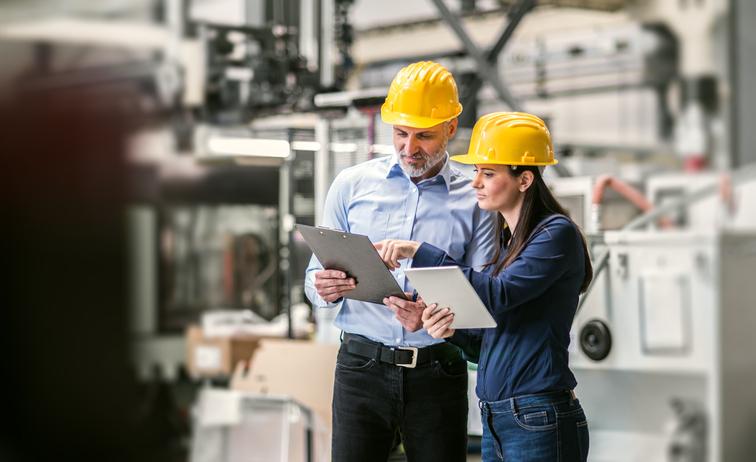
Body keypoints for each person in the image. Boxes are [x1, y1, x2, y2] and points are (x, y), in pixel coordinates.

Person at [304, 61, 497, 462]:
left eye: (424, 136)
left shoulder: (475, 200)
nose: (409, 149)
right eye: (400, 133)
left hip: (437, 372)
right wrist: (323, 288)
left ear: (451, 126)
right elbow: (313, 278)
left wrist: (434, 312)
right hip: (360, 368)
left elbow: (482, 296)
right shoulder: (351, 185)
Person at [375, 112, 594, 462]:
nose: (475, 182)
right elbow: (488, 342)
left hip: (537, 416)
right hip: (501, 419)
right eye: (476, 170)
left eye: (488, 173)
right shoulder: (511, 246)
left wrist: (419, 250)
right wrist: (447, 328)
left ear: (524, 180)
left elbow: (497, 295)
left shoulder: (555, 234)